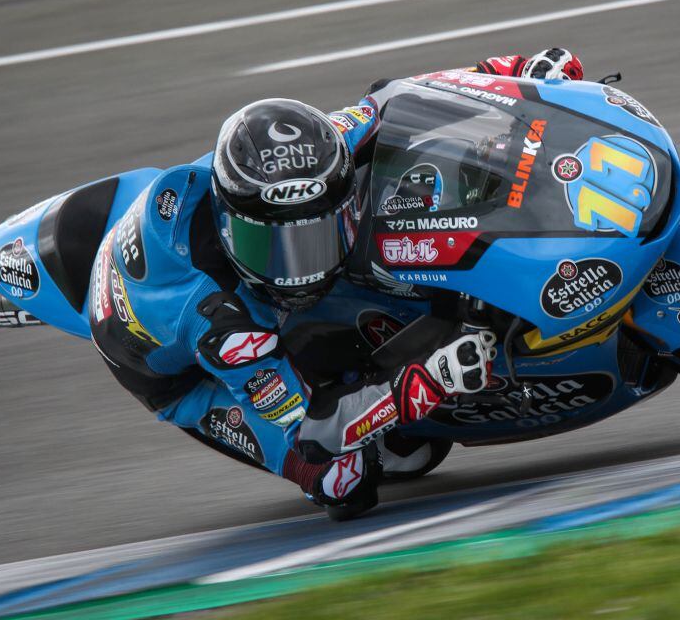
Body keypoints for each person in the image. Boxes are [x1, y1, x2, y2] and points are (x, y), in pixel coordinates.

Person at [88, 48, 584, 519]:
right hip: (180, 371)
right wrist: (426, 379)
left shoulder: (326, 151)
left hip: (194, 248)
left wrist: (519, 74)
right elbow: (311, 431)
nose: (303, 266)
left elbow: (401, 98)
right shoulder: (226, 327)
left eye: (322, 233)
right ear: (228, 228)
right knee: (344, 479)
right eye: (275, 248)